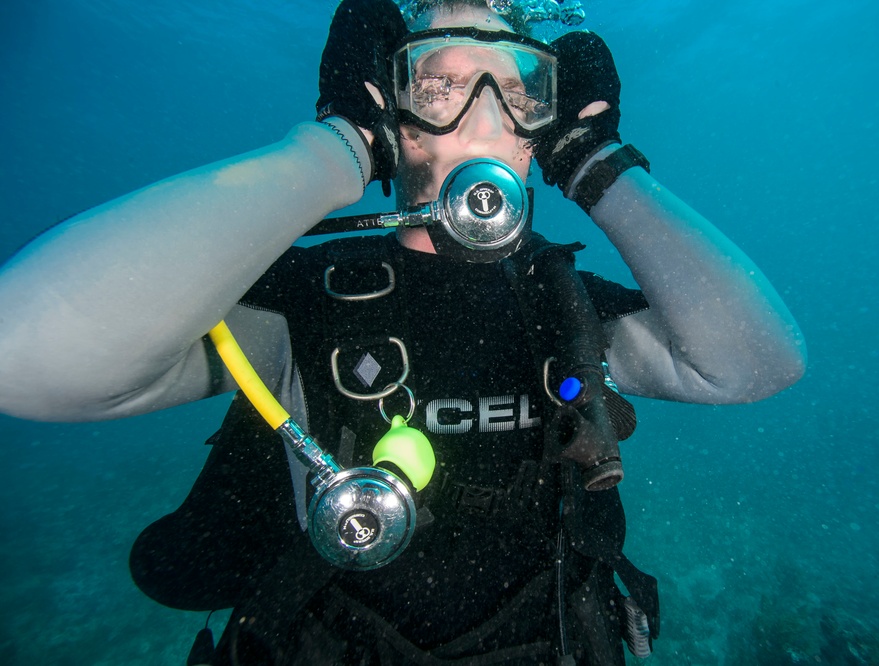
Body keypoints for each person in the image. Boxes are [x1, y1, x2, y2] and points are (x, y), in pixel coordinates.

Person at [0, 0, 806, 663]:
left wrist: (598, 163)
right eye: (443, 83)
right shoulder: (302, 300)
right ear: (399, 116)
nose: (482, 116)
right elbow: (26, 354)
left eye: (516, 90)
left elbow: (755, 365)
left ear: (541, 130)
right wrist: (339, 144)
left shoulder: (565, 304)